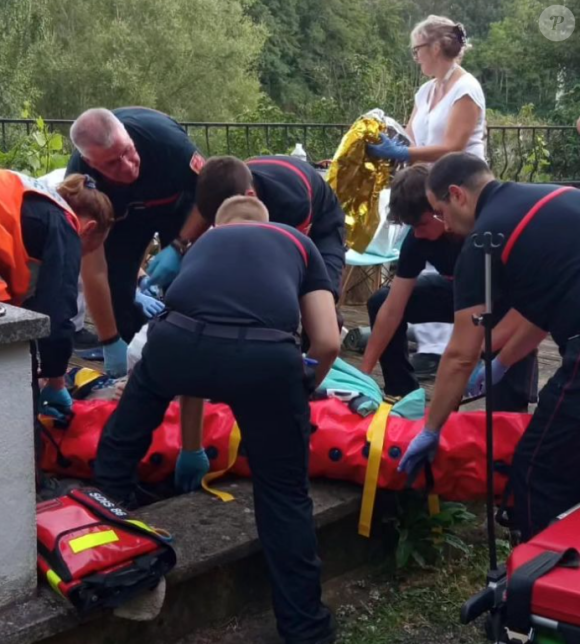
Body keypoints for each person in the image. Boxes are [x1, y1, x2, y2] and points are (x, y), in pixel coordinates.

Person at [94, 196, 340, 644]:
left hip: (177, 346)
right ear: (267, 220)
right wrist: (295, 393)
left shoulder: (203, 243)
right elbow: (327, 343)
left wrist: (192, 447)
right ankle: (306, 631)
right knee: (283, 496)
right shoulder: (299, 243)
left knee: (120, 446)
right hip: (266, 358)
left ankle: (98, 561)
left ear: (220, 222)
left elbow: (197, 331)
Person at [398, 152, 580, 542]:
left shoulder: (484, 238)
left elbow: (461, 353)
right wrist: (501, 363)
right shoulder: (551, 199)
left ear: (456, 195)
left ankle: (536, 579)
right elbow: (539, 314)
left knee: (536, 469)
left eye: (439, 211)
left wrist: (431, 429)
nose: (443, 224)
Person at [361, 164, 537, 410]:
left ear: (438, 209)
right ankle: (402, 393)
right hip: (460, 294)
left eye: (421, 224)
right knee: (381, 302)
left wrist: (476, 354)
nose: (418, 234)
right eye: (412, 227)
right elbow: (392, 309)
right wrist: (364, 373)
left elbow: (529, 308)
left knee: (504, 410)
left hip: (508, 307)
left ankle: (509, 407)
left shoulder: (484, 227)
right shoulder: (417, 238)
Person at [368, 15, 486, 379]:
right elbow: (411, 137)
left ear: (436, 47)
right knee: (388, 298)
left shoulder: (466, 88)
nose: (415, 56)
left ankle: (476, 369)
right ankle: (399, 388)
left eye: (417, 49)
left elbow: (452, 146)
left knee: (477, 287)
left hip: (460, 195)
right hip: (423, 189)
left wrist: (405, 156)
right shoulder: (425, 91)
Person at [66, 107, 208, 376]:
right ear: (90, 162)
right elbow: (93, 268)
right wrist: (109, 341)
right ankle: (136, 369)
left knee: (188, 285)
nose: (128, 165)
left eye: (128, 151)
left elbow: (209, 196)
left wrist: (179, 246)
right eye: (112, 163)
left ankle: (193, 358)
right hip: (124, 218)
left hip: (179, 209)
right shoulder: (80, 183)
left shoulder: (166, 142)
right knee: (118, 289)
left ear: (128, 136)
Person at [0, 170, 113, 421]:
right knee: (13, 385)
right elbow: (57, 313)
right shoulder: (65, 225)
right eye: (87, 251)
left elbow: (36, 302)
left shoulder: (32, 202)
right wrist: (55, 382)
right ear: (89, 228)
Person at [193, 154, 346, 300]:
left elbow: (290, 261)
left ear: (250, 196)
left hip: (324, 220)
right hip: (276, 185)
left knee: (321, 290)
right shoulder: (227, 184)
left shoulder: (292, 203)